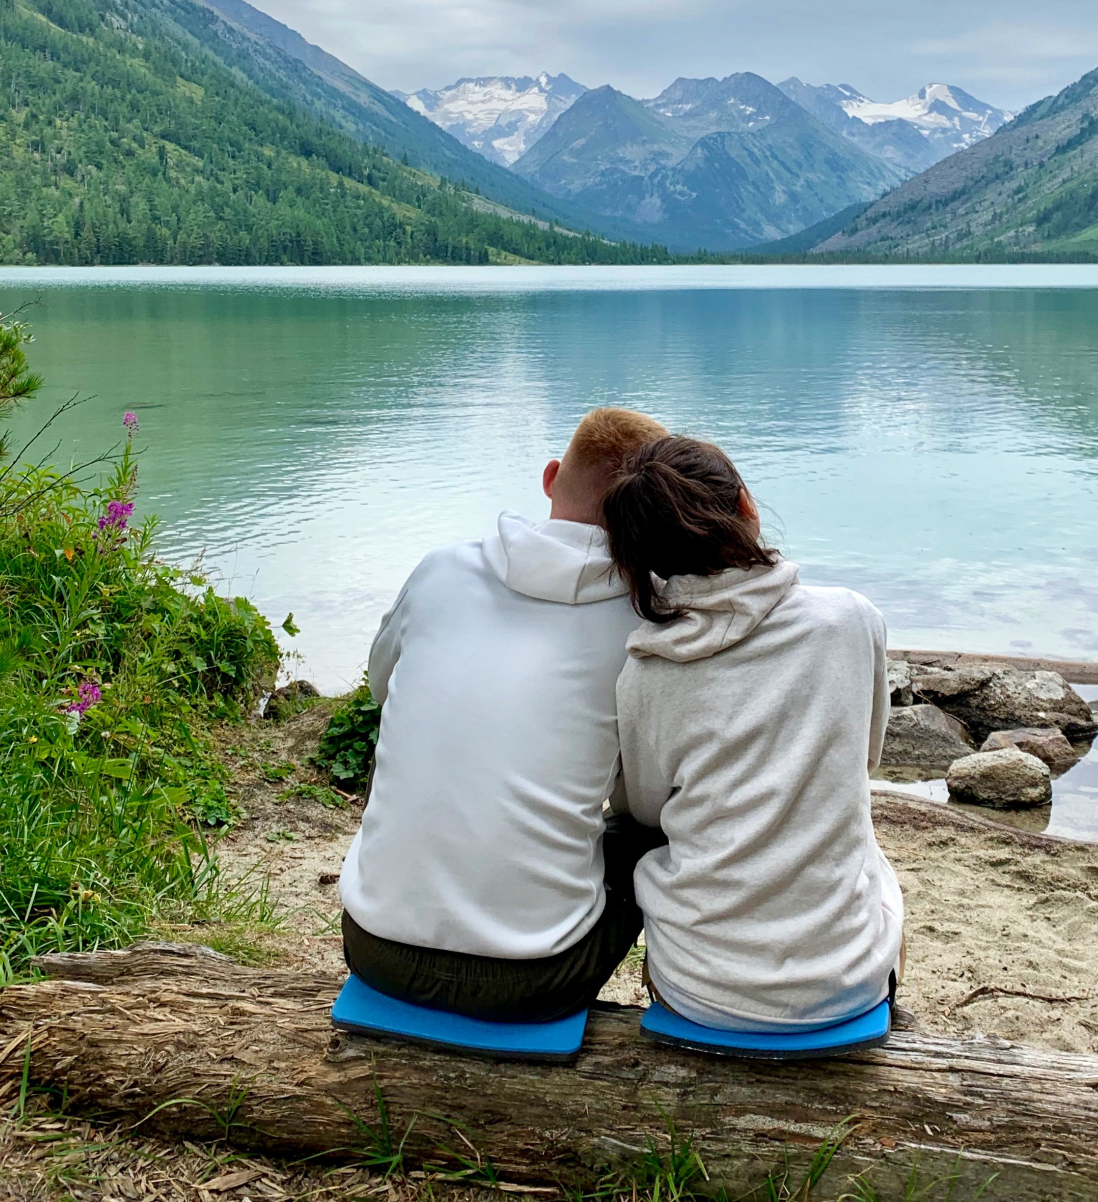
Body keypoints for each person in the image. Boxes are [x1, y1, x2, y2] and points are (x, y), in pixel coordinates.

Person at [338, 406, 669, 1022]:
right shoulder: (643, 620)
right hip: (536, 980)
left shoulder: (440, 570)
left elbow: (383, 689)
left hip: (371, 946)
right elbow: (643, 797)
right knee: (653, 831)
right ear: (652, 515)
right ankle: (690, 995)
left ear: (550, 477)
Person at [603, 434, 904, 1031]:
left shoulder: (648, 671)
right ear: (747, 506)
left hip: (699, 989)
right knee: (871, 864)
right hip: (845, 986)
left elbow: (645, 810)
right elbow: (864, 758)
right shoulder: (850, 619)